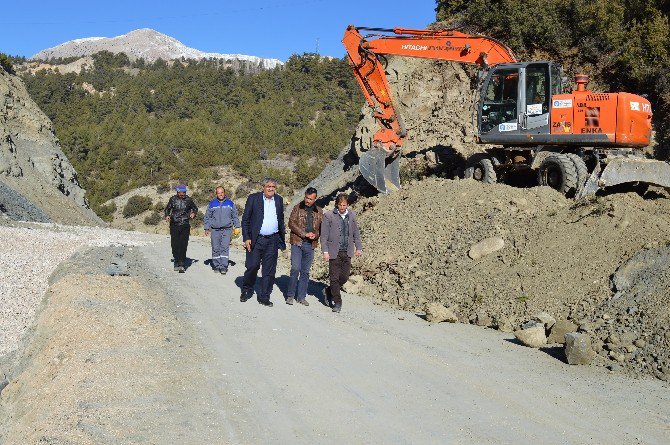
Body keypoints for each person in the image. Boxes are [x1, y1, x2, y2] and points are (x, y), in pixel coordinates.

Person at [240, 178, 286, 306]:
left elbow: (280, 219)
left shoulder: (279, 200)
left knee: (269, 271)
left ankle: (264, 296)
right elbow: (245, 220)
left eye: (273, 186)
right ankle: (246, 289)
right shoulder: (253, 198)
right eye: (268, 186)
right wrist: (246, 237)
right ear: (263, 187)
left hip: (273, 240)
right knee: (252, 266)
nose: (271, 188)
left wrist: (281, 237)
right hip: (256, 239)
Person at [320, 193, 363, 313]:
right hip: (334, 252)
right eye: (340, 205)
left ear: (348, 205)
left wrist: (358, 248)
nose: (342, 207)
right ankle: (338, 302)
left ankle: (329, 291)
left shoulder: (352, 215)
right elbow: (324, 236)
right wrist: (325, 251)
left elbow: (356, 233)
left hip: (347, 251)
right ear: (337, 204)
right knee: (334, 278)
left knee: (344, 278)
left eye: (344, 205)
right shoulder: (329, 216)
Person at [286, 187, 323, 306]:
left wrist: (315, 235)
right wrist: (304, 233)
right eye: (307, 198)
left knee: (305, 272)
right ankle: (290, 295)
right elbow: (291, 223)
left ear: (315, 199)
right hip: (297, 241)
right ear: (304, 196)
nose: (308, 201)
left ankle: (301, 297)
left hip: (310, 244)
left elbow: (321, 229)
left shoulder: (319, 211)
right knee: (295, 268)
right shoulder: (297, 207)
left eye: (311, 199)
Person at [204, 186, 240, 275]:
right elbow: (207, 217)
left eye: (222, 192)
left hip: (227, 229)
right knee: (215, 248)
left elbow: (235, 216)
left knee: (224, 247)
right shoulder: (212, 204)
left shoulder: (230, 203)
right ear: (216, 194)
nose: (220, 194)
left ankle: (223, 266)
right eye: (218, 193)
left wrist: (237, 227)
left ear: (224, 193)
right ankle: (216, 265)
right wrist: (206, 227)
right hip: (215, 230)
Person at [164, 184, 198, 273]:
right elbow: (167, 209)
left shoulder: (189, 200)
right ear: (177, 192)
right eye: (181, 192)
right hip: (174, 224)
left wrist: (194, 213)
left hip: (185, 224)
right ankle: (176, 261)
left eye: (184, 192)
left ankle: (182, 263)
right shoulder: (173, 199)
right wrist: (167, 215)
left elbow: (195, 208)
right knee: (175, 244)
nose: (182, 194)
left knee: (183, 244)